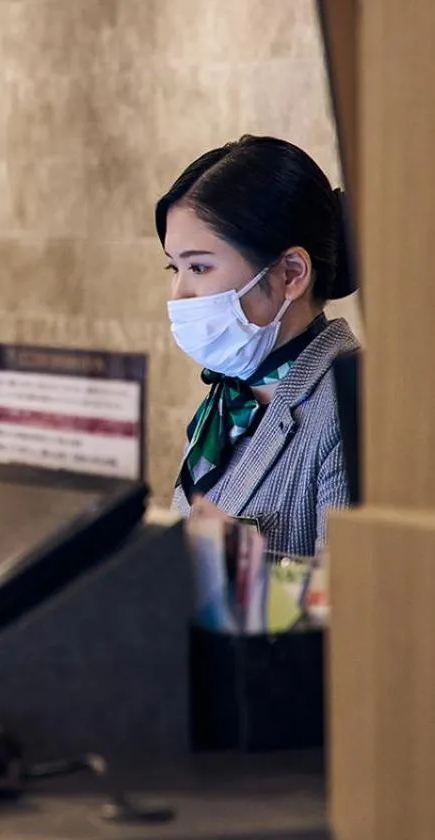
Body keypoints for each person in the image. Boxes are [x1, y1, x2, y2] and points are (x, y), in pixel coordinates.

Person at [157, 135, 360, 557]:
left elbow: (352, 601)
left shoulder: (351, 407)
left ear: (291, 273)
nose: (180, 294)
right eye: (174, 268)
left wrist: (235, 572)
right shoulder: (229, 395)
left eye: (199, 266)